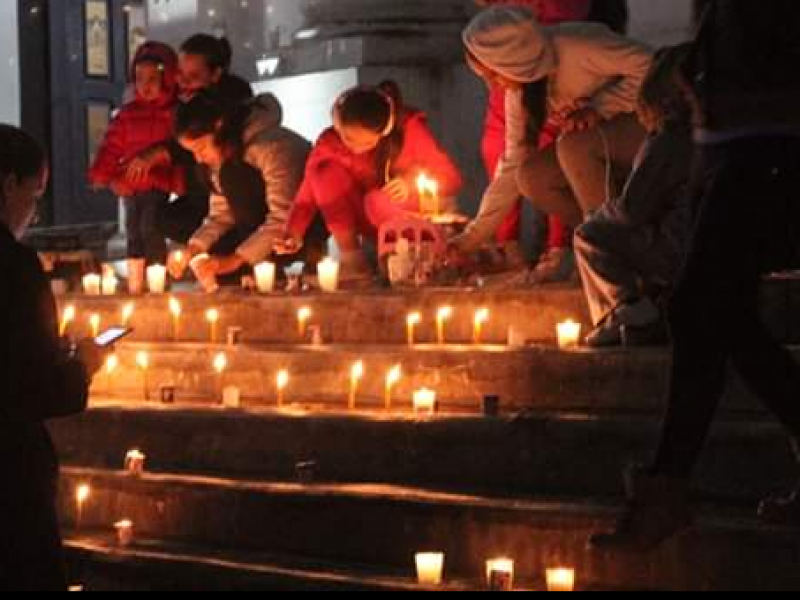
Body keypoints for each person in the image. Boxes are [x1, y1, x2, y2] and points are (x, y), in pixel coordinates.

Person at [590, 0, 800, 552]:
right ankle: (668, 486)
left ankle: (668, 486)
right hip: (734, 148)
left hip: (772, 147)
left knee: (700, 305)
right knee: (717, 309)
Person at [451, 6, 652, 285]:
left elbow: (652, 66)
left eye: (494, 74)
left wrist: (600, 107)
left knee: (572, 147)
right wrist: (469, 239)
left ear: (513, 58)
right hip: (590, 144)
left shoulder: (578, 47)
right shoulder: (519, 92)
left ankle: (610, 257)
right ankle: (603, 238)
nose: (494, 85)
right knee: (531, 176)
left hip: (648, 128)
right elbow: (512, 165)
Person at [0, 125, 106, 591]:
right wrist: (82, 363)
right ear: (9, 184)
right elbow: (35, 387)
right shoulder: (15, 267)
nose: (34, 210)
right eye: (35, 193)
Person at [280, 82, 463, 281]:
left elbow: (450, 178)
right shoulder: (329, 143)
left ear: (384, 130)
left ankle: (406, 260)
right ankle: (352, 260)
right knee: (323, 173)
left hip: (411, 218)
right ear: (337, 125)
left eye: (367, 142)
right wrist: (293, 231)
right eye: (348, 139)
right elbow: (308, 192)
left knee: (376, 200)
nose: (356, 148)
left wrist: (409, 184)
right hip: (367, 214)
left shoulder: (409, 129)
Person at [574, 45, 694, 348]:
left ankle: (626, 312)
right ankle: (634, 309)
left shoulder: (669, 140)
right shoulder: (704, 132)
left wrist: (600, 214)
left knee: (589, 235)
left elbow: (632, 209)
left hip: (677, 246)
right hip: (697, 236)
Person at [475, 0, 593, 273]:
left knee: (553, 158)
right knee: (497, 148)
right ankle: (507, 244)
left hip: (547, 64)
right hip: (506, 61)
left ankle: (559, 246)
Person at [125, 35, 255, 254]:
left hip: (231, 199)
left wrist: (162, 152)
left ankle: (233, 259)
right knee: (159, 217)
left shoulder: (231, 107)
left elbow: (192, 141)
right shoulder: (186, 103)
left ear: (215, 74)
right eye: (180, 74)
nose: (183, 82)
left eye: (193, 76)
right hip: (200, 193)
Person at [175, 91, 324, 279]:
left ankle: (271, 265)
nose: (198, 158)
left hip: (304, 228)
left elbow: (283, 216)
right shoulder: (225, 152)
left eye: (201, 148)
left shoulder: (273, 146)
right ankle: (257, 265)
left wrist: (234, 260)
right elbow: (221, 214)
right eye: (192, 152)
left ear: (218, 126)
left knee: (232, 175)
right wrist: (194, 248)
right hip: (262, 233)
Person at [89, 42, 183, 282]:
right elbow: (111, 147)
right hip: (130, 184)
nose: (146, 85)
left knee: (151, 227)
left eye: (153, 79)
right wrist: (105, 176)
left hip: (156, 182)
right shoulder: (127, 115)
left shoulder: (173, 113)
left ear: (167, 78)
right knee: (133, 230)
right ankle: (136, 277)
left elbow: (180, 148)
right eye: (140, 78)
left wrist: (175, 177)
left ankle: (156, 274)